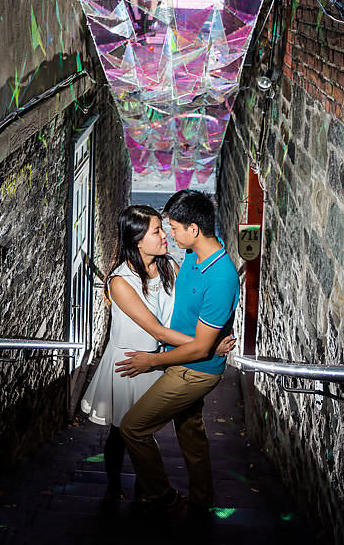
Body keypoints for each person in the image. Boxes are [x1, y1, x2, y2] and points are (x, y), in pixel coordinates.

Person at [116, 189, 239, 518]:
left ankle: (161, 495)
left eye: (173, 227)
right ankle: (202, 499)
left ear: (194, 230)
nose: (170, 233)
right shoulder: (194, 258)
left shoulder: (222, 277)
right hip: (184, 358)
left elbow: (199, 348)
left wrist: (151, 361)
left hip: (193, 371)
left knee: (133, 428)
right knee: (190, 431)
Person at [80, 205, 197, 501]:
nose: (165, 235)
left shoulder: (169, 266)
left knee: (142, 431)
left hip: (157, 361)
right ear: (137, 240)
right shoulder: (120, 282)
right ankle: (115, 486)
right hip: (129, 364)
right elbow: (157, 330)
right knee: (122, 432)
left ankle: (150, 489)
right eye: (157, 231)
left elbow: (186, 308)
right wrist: (203, 346)